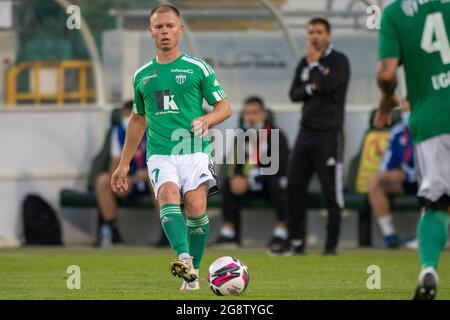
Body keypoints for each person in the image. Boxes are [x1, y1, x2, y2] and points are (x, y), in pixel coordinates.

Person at [110, 4, 231, 291]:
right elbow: (138, 119)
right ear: (150, 31)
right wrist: (124, 163)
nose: (164, 31)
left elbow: (224, 107)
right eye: (159, 27)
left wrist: (207, 119)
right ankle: (184, 258)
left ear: (180, 29)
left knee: (196, 206)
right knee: (167, 194)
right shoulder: (143, 75)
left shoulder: (197, 68)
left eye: (169, 26)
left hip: (195, 150)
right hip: (161, 153)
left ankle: (195, 272)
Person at [376, 1, 450, 300]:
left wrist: (387, 100)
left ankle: (429, 268)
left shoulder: (394, 13)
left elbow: (386, 74)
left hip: (433, 119)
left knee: (435, 204)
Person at [280, 17, 350, 256]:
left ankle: (331, 246)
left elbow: (328, 86)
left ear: (328, 35)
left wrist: (315, 69)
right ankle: (297, 242)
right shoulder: (305, 62)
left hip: (329, 135)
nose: (314, 36)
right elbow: (294, 94)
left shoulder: (339, 61)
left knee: (331, 192)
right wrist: (311, 85)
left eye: (319, 32)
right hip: (305, 132)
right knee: (294, 188)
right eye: (311, 32)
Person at [214, 96, 290, 253]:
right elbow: (236, 164)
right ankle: (228, 233)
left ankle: (281, 232)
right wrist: (238, 178)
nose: (251, 117)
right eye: (247, 113)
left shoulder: (276, 135)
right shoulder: (243, 136)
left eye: (255, 113)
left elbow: (278, 168)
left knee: (277, 183)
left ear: (263, 114)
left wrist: (250, 180)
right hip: (249, 185)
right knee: (230, 183)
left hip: (268, 184)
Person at [95, 100, 163, 247]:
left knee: (157, 180)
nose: (128, 120)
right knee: (103, 180)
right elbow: (114, 162)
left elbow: (163, 159)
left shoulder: (155, 129)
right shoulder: (118, 131)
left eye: (130, 116)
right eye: (125, 116)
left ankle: (166, 233)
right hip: (129, 178)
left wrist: (146, 174)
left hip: (149, 177)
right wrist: (119, 178)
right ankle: (112, 230)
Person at [368, 100, 417, 248]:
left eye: (408, 111)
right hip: (404, 182)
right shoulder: (397, 131)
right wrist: (386, 174)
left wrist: (407, 174)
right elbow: (387, 163)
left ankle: (425, 237)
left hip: (427, 180)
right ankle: (390, 236)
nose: (405, 115)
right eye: (403, 111)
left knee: (432, 186)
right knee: (376, 181)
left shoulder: (430, 130)